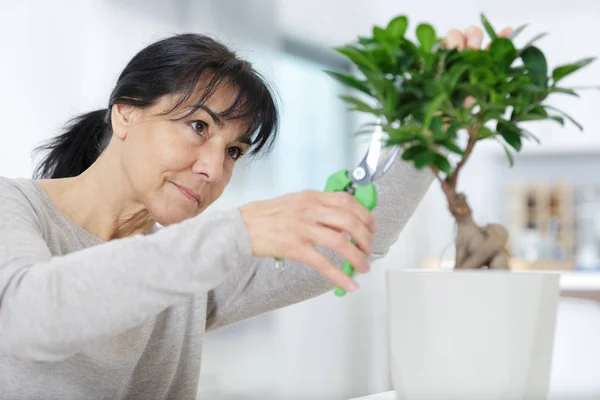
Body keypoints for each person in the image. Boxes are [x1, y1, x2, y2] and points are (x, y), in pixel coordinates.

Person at [0, 24, 511, 399]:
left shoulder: (182, 269)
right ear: (126, 113)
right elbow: (28, 316)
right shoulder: (14, 206)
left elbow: (347, 239)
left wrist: (428, 124)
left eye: (234, 152)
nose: (212, 168)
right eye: (199, 126)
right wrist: (235, 230)